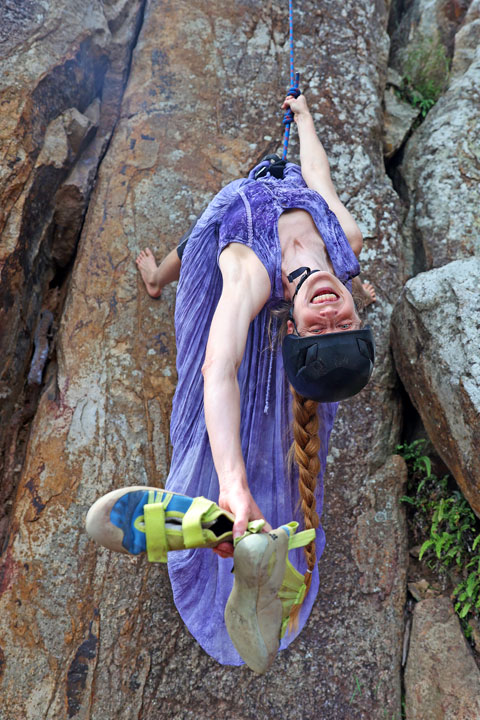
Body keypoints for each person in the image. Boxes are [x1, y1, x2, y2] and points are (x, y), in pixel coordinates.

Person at [87, 94, 376, 671]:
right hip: (263, 197)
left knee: (201, 233)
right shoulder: (346, 240)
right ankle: (155, 276)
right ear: (356, 310)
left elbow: (217, 370)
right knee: (206, 227)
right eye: (342, 322)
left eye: (317, 329)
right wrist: (306, 120)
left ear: (290, 326)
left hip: (226, 228)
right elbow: (318, 175)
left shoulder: (250, 273)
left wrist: (233, 483)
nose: (329, 312)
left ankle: (156, 278)